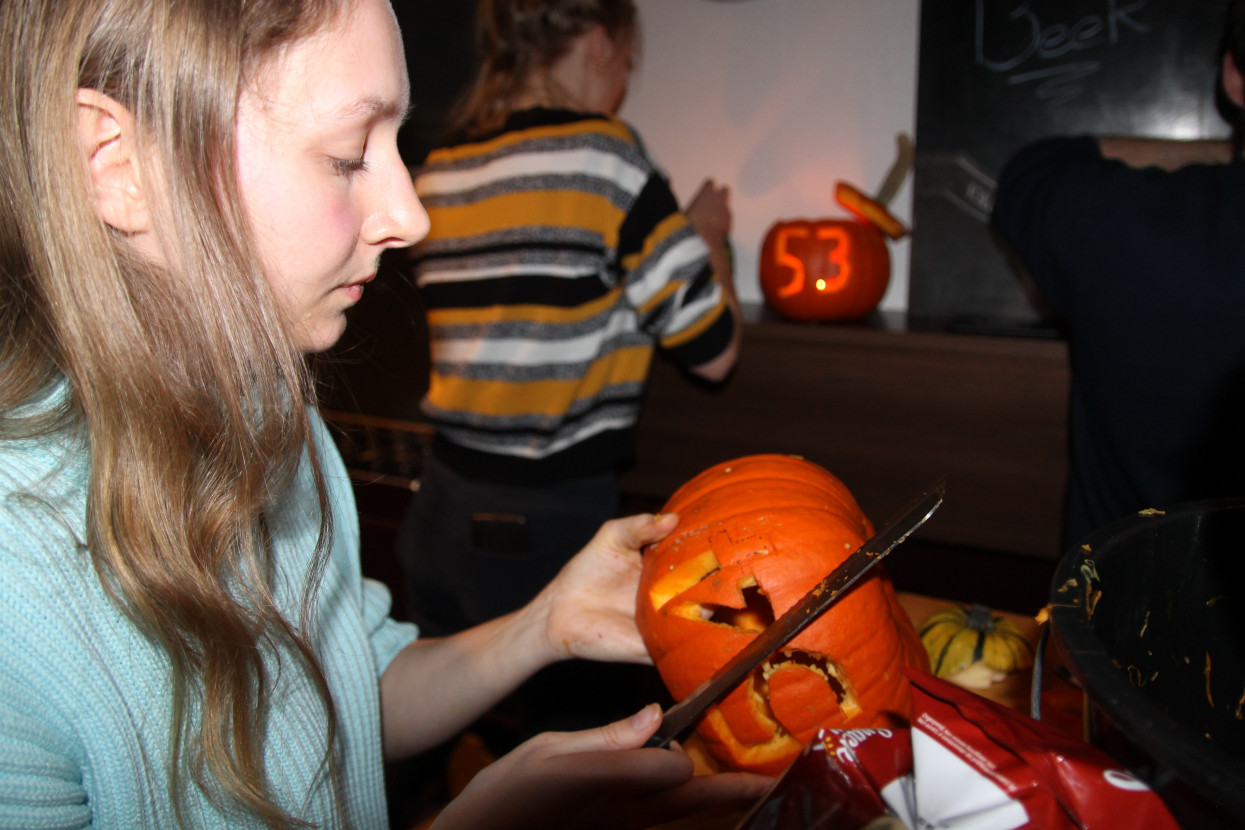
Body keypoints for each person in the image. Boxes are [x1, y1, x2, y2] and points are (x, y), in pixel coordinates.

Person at [0, 0, 771, 827]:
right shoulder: (19, 587)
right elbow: (710, 345)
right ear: (116, 162)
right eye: (346, 155)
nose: (413, 215)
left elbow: (346, 692)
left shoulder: (282, 428)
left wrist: (544, 623)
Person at [398, 0, 742, 736]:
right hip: (546, 525)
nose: (622, 82)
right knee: (580, 763)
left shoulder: (444, 165)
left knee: (470, 739)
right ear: (597, 40)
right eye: (626, 63)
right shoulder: (602, 156)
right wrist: (706, 234)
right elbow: (714, 353)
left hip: (440, 509)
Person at [992, 0, 1245, 550]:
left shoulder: (1119, 220)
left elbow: (1029, 173)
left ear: (1233, 77)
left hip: (1116, 621)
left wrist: (1225, 154)